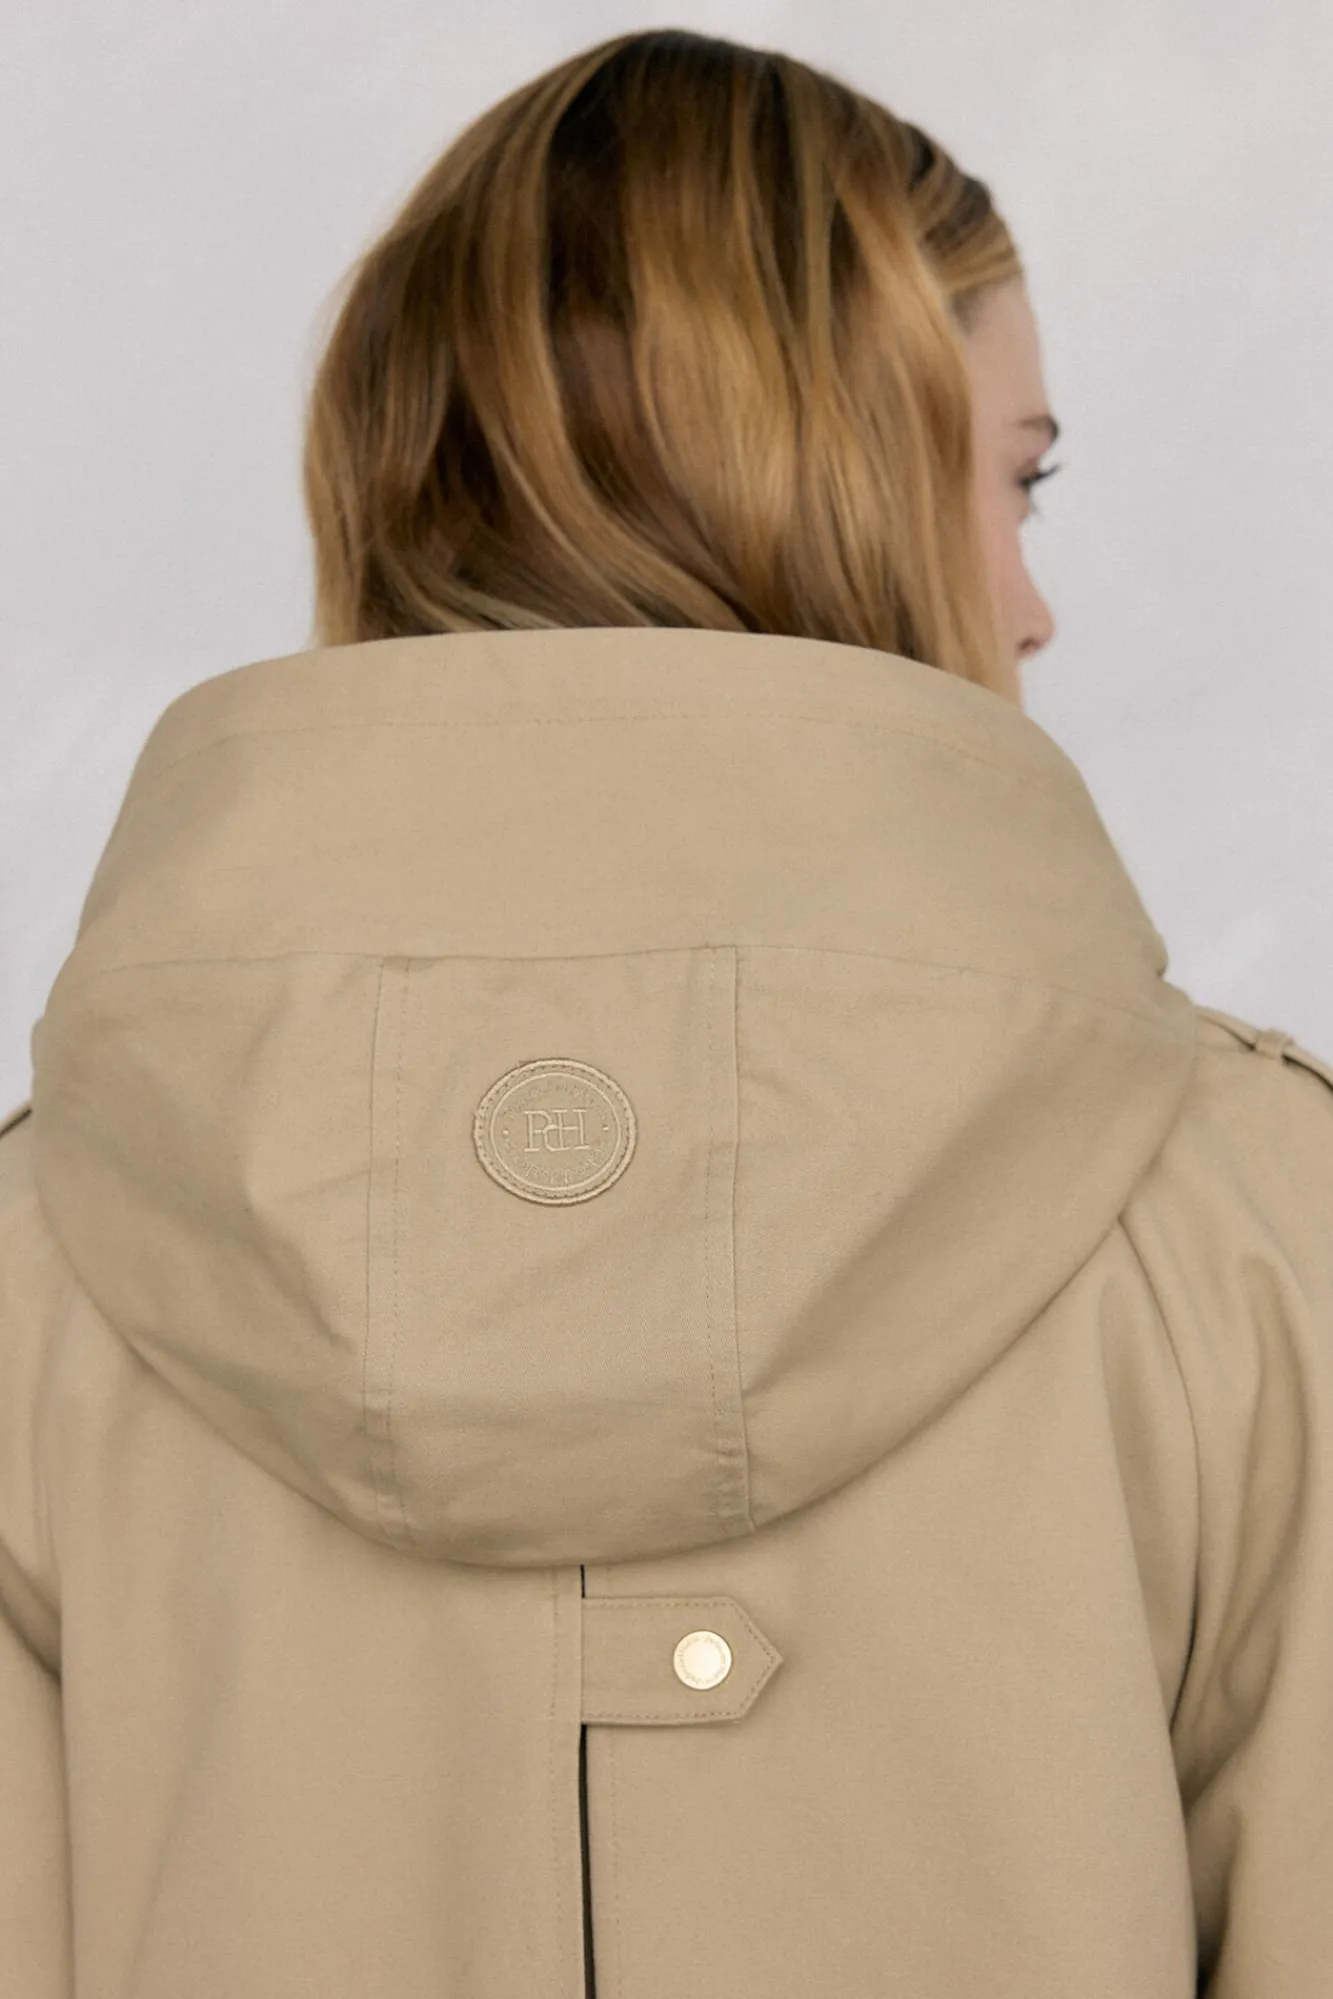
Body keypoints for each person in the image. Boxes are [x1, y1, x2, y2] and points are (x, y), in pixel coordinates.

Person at [2, 28, 1330, 1999]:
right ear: (848, 491)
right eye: (1014, 483)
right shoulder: (1258, 1237)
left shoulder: (48, 1265)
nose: (1032, 603)